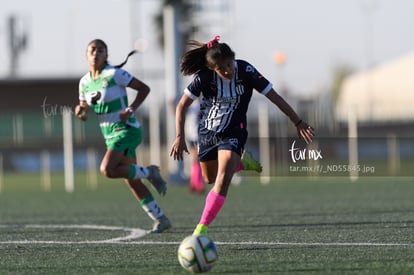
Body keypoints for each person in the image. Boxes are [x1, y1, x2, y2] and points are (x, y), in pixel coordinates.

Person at [170, 36, 314, 236]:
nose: (227, 70)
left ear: (233, 59)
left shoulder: (246, 71)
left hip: (234, 132)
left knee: (223, 179)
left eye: (229, 64)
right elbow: (181, 106)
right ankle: (242, 163)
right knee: (209, 178)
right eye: (221, 68)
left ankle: (200, 230)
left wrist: (297, 121)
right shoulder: (204, 77)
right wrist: (179, 136)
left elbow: (274, 96)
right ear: (213, 69)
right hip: (208, 133)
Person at [74, 39, 171, 234]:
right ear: (86, 55)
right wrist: (80, 111)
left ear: (106, 55)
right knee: (132, 180)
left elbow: (144, 88)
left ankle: (150, 172)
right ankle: (160, 218)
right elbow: (84, 109)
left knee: (107, 169)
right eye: (92, 50)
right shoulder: (84, 82)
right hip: (109, 135)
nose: (96, 53)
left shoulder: (114, 74)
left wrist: (131, 108)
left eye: (100, 50)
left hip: (126, 130)